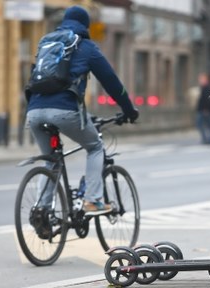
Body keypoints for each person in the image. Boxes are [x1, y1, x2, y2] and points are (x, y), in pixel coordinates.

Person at [26, 6, 139, 216]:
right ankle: (93, 201)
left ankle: (41, 211)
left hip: (34, 111)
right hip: (65, 111)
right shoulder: (86, 47)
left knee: (49, 158)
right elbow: (112, 82)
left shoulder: (47, 42)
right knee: (95, 146)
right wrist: (128, 109)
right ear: (85, 25)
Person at [195, 73, 210, 145]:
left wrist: (206, 109)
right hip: (203, 110)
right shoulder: (203, 88)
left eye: (201, 79)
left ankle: (209, 139)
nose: (200, 81)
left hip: (206, 110)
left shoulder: (208, 88)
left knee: (206, 125)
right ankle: (207, 139)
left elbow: (209, 100)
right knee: (204, 125)